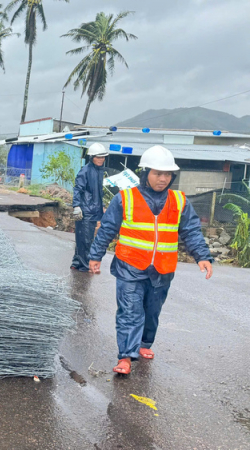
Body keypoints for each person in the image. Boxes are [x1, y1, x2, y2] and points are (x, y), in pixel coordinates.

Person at [88, 145, 213, 375]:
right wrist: (95, 256)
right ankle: (126, 355)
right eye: (158, 173)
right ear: (146, 173)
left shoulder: (179, 201)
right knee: (130, 311)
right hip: (130, 267)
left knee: (152, 310)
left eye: (167, 174)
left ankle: (144, 344)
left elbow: (192, 231)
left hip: (163, 269)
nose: (163, 179)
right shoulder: (125, 198)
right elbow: (107, 229)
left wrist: (202, 256)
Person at [71, 143, 109, 272]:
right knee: (85, 240)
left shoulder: (98, 171)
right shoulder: (85, 171)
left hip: (93, 210)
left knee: (84, 238)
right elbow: (78, 189)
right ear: (92, 157)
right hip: (85, 211)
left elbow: (98, 192)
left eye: (103, 157)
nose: (101, 159)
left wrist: (101, 206)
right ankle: (85, 265)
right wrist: (76, 206)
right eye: (98, 157)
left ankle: (77, 262)